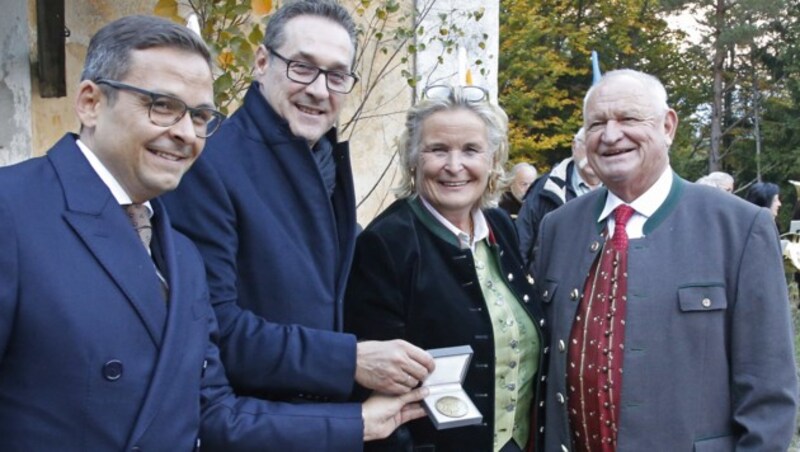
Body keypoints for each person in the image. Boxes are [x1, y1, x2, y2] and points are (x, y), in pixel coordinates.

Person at [0, 15, 428, 450]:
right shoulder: (11, 210)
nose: (185, 133)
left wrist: (359, 422)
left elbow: (212, 411)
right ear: (91, 102)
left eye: (201, 115)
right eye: (161, 105)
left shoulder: (177, 253)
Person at [163, 0, 435, 407]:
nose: (319, 89)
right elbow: (214, 328)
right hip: (255, 426)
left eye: (337, 75)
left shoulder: (320, 161)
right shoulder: (210, 165)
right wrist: (349, 361)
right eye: (302, 67)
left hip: (322, 424)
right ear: (261, 62)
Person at [534, 69, 797, 451]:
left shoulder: (739, 227)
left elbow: (769, 391)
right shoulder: (558, 227)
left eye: (628, 119)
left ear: (668, 125)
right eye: (596, 124)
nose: (610, 136)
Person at [345, 85, 547, 452]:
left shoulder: (500, 225)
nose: (455, 166)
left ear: (492, 160)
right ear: (413, 158)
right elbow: (376, 393)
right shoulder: (386, 244)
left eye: (471, 150)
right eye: (438, 149)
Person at [516, 127, 601, 271]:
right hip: (550, 287)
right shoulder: (545, 189)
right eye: (587, 145)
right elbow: (520, 245)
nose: (592, 154)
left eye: (599, 147)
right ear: (574, 146)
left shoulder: (620, 192)